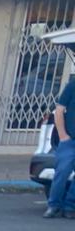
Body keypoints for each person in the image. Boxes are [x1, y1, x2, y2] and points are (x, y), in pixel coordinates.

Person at [45, 73, 75, 218]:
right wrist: (63, 136)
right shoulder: (72, 86)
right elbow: (59, 111)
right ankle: (53, 205)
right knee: (61, 173)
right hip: (70, 140)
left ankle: (70, 206)